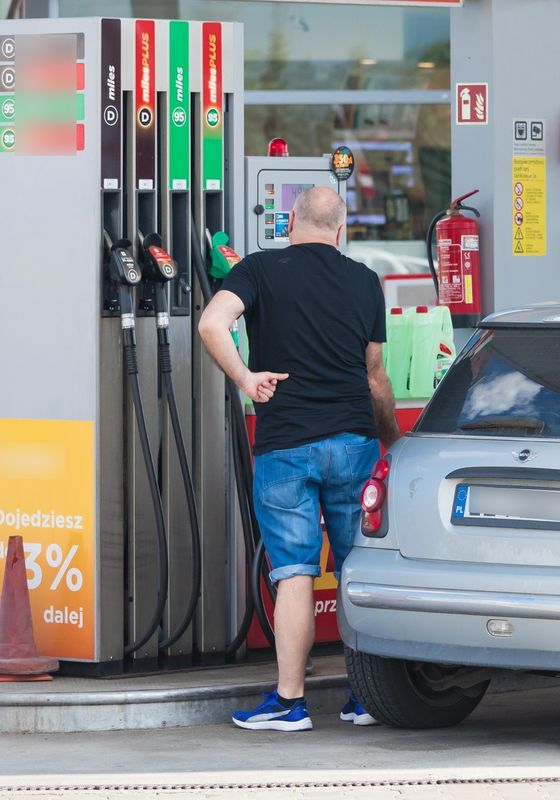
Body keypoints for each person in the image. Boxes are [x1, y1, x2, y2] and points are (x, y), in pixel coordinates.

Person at [198, 187, 401, 731]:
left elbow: (210, 324)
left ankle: (290, 703)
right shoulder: (365, 281)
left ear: (290, 221)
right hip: (354, 443)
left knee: (294, 574)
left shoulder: (260, 270)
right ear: (341, 231)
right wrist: (392, 442)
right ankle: (365, 698)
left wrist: (246, 379)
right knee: (357, 568)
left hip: (286, 443)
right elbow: (375, 375)